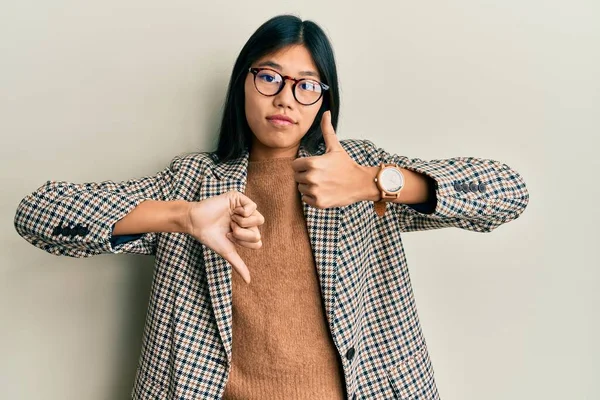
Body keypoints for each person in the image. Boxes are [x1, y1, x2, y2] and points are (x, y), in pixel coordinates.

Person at [13, 14, 529, 400]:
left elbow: (509, 193)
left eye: (306, 86)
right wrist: (181, 216)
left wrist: (375, 183)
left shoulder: (357, 173)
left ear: (322, 100)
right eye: (269, 77)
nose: (285, 98)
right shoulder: (193, 180)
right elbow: (38, 215)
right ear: (243, 82)